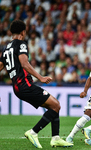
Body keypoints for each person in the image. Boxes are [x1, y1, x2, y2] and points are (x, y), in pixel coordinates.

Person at [0, 20, 73, 148]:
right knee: (56, 105)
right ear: (23, 32)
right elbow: (24, 63)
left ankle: (55, 138)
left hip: (17, 88)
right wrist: (40, 77)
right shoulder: (21, 44)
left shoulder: (6, 49)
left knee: (54, 106)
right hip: (25, 85)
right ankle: (33, 132)